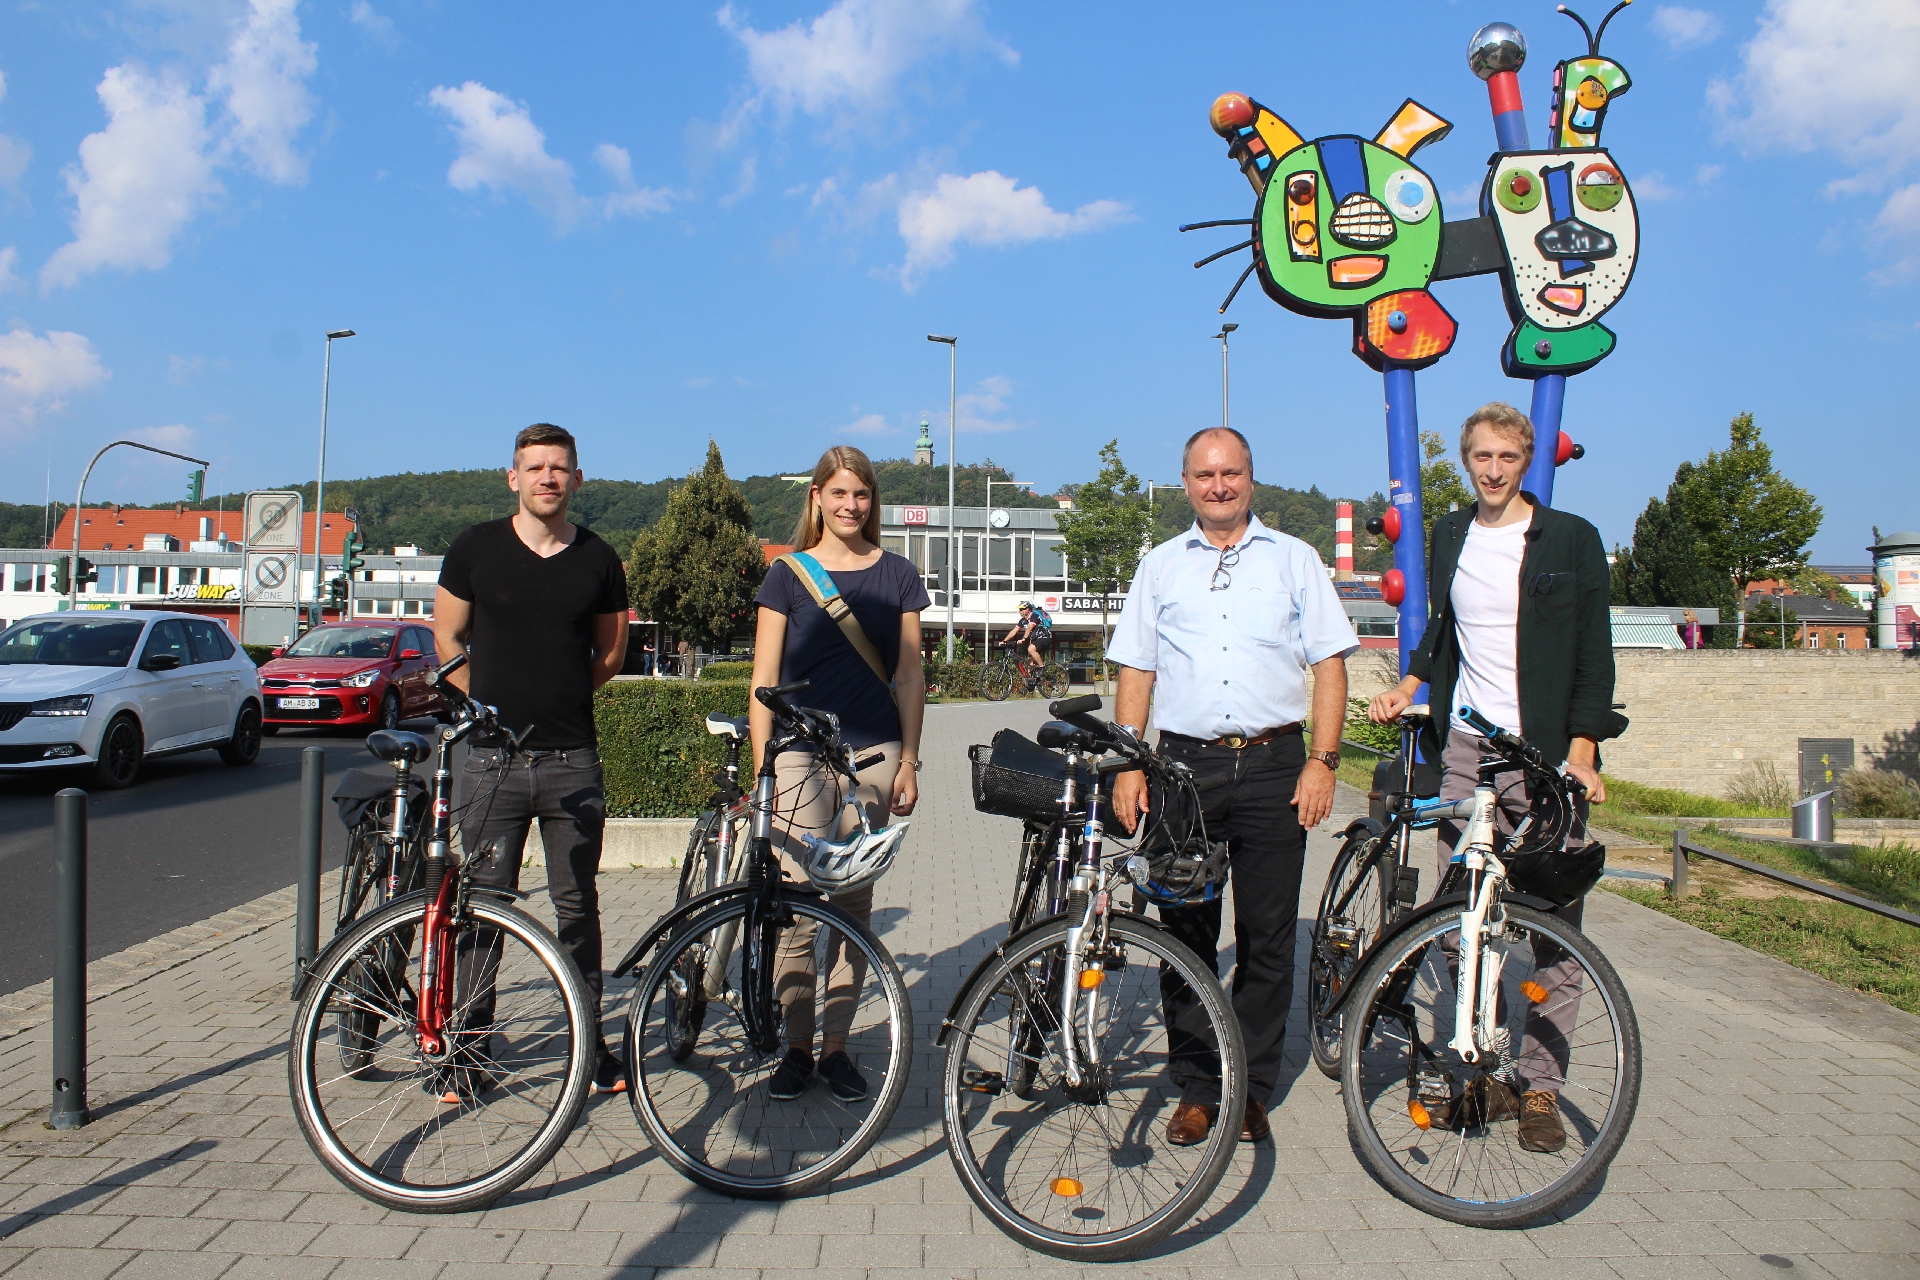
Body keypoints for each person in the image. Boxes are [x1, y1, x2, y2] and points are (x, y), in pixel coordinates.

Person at [1369, 401, 1626, 1153]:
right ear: (1466, 460)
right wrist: (1412, 685)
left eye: (1506, 458)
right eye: (1480, 457)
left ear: (1526, 462)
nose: (1492, 470)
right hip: (1466, 751)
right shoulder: (1450, 532)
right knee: (1456, 926)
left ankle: (1538, 1087)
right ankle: (1473, 1078)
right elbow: (1442, 632)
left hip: (1544, 758)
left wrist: (1582, 752)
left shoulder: (1572, 540)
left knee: (1552, 930)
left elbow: (1592, 655)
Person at [1107, 426, 1357, 1147]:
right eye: (1205, 475)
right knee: (1185, 931)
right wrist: (1130, 762)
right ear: (1186, 482)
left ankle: (1247, 1086)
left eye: (1232, 473)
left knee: (1268, 937)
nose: (1219, 486)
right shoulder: (1159, 567)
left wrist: (1325, 761)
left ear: (1252, 476)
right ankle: (1195, 1086)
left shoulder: (1295, 561)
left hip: (1278, 766)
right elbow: (1137, 671)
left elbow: (1331, 666)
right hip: (1183, 770)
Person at [434, 422, 632, 1096]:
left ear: (577, 479)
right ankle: (469, 1045)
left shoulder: (599, 558)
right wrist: (483, 702)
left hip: (572, 758)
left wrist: (565, 695)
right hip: (489, 759)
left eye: (560, 467)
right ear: (512, 477)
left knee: (577, 906)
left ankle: (590, 1044)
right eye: (536, 467)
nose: (549, 477)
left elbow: (611, 653)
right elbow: (447, 637)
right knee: (483, 904)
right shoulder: (475, 549)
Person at [749, 445, 928, 1103]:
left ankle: (837, 1050)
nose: (851, 505)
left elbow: (909, 675)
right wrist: (762, 773)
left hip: (874, 757)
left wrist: (909, 760)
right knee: (797, 913)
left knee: (853, 908)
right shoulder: (787, 576)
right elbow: (763, 682)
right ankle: (797, 1048)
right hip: (798, 754)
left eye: (862, 494)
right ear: (817, 497)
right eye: (840, 493)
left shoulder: (899, 576)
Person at [998, 600, 1052, 685]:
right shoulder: (1023, 621)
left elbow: (1030, 627)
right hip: (1036, 641)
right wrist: (1004, 640)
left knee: (1030, 649)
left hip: (1044, 638)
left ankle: (1042, 668)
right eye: (1020, 610)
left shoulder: (1034, 616)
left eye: (1022, 609)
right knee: (1030, 664)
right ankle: (1031, 683)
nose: (1020, 611)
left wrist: (1024, 638)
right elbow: (1014, 631)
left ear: (1028, 609)